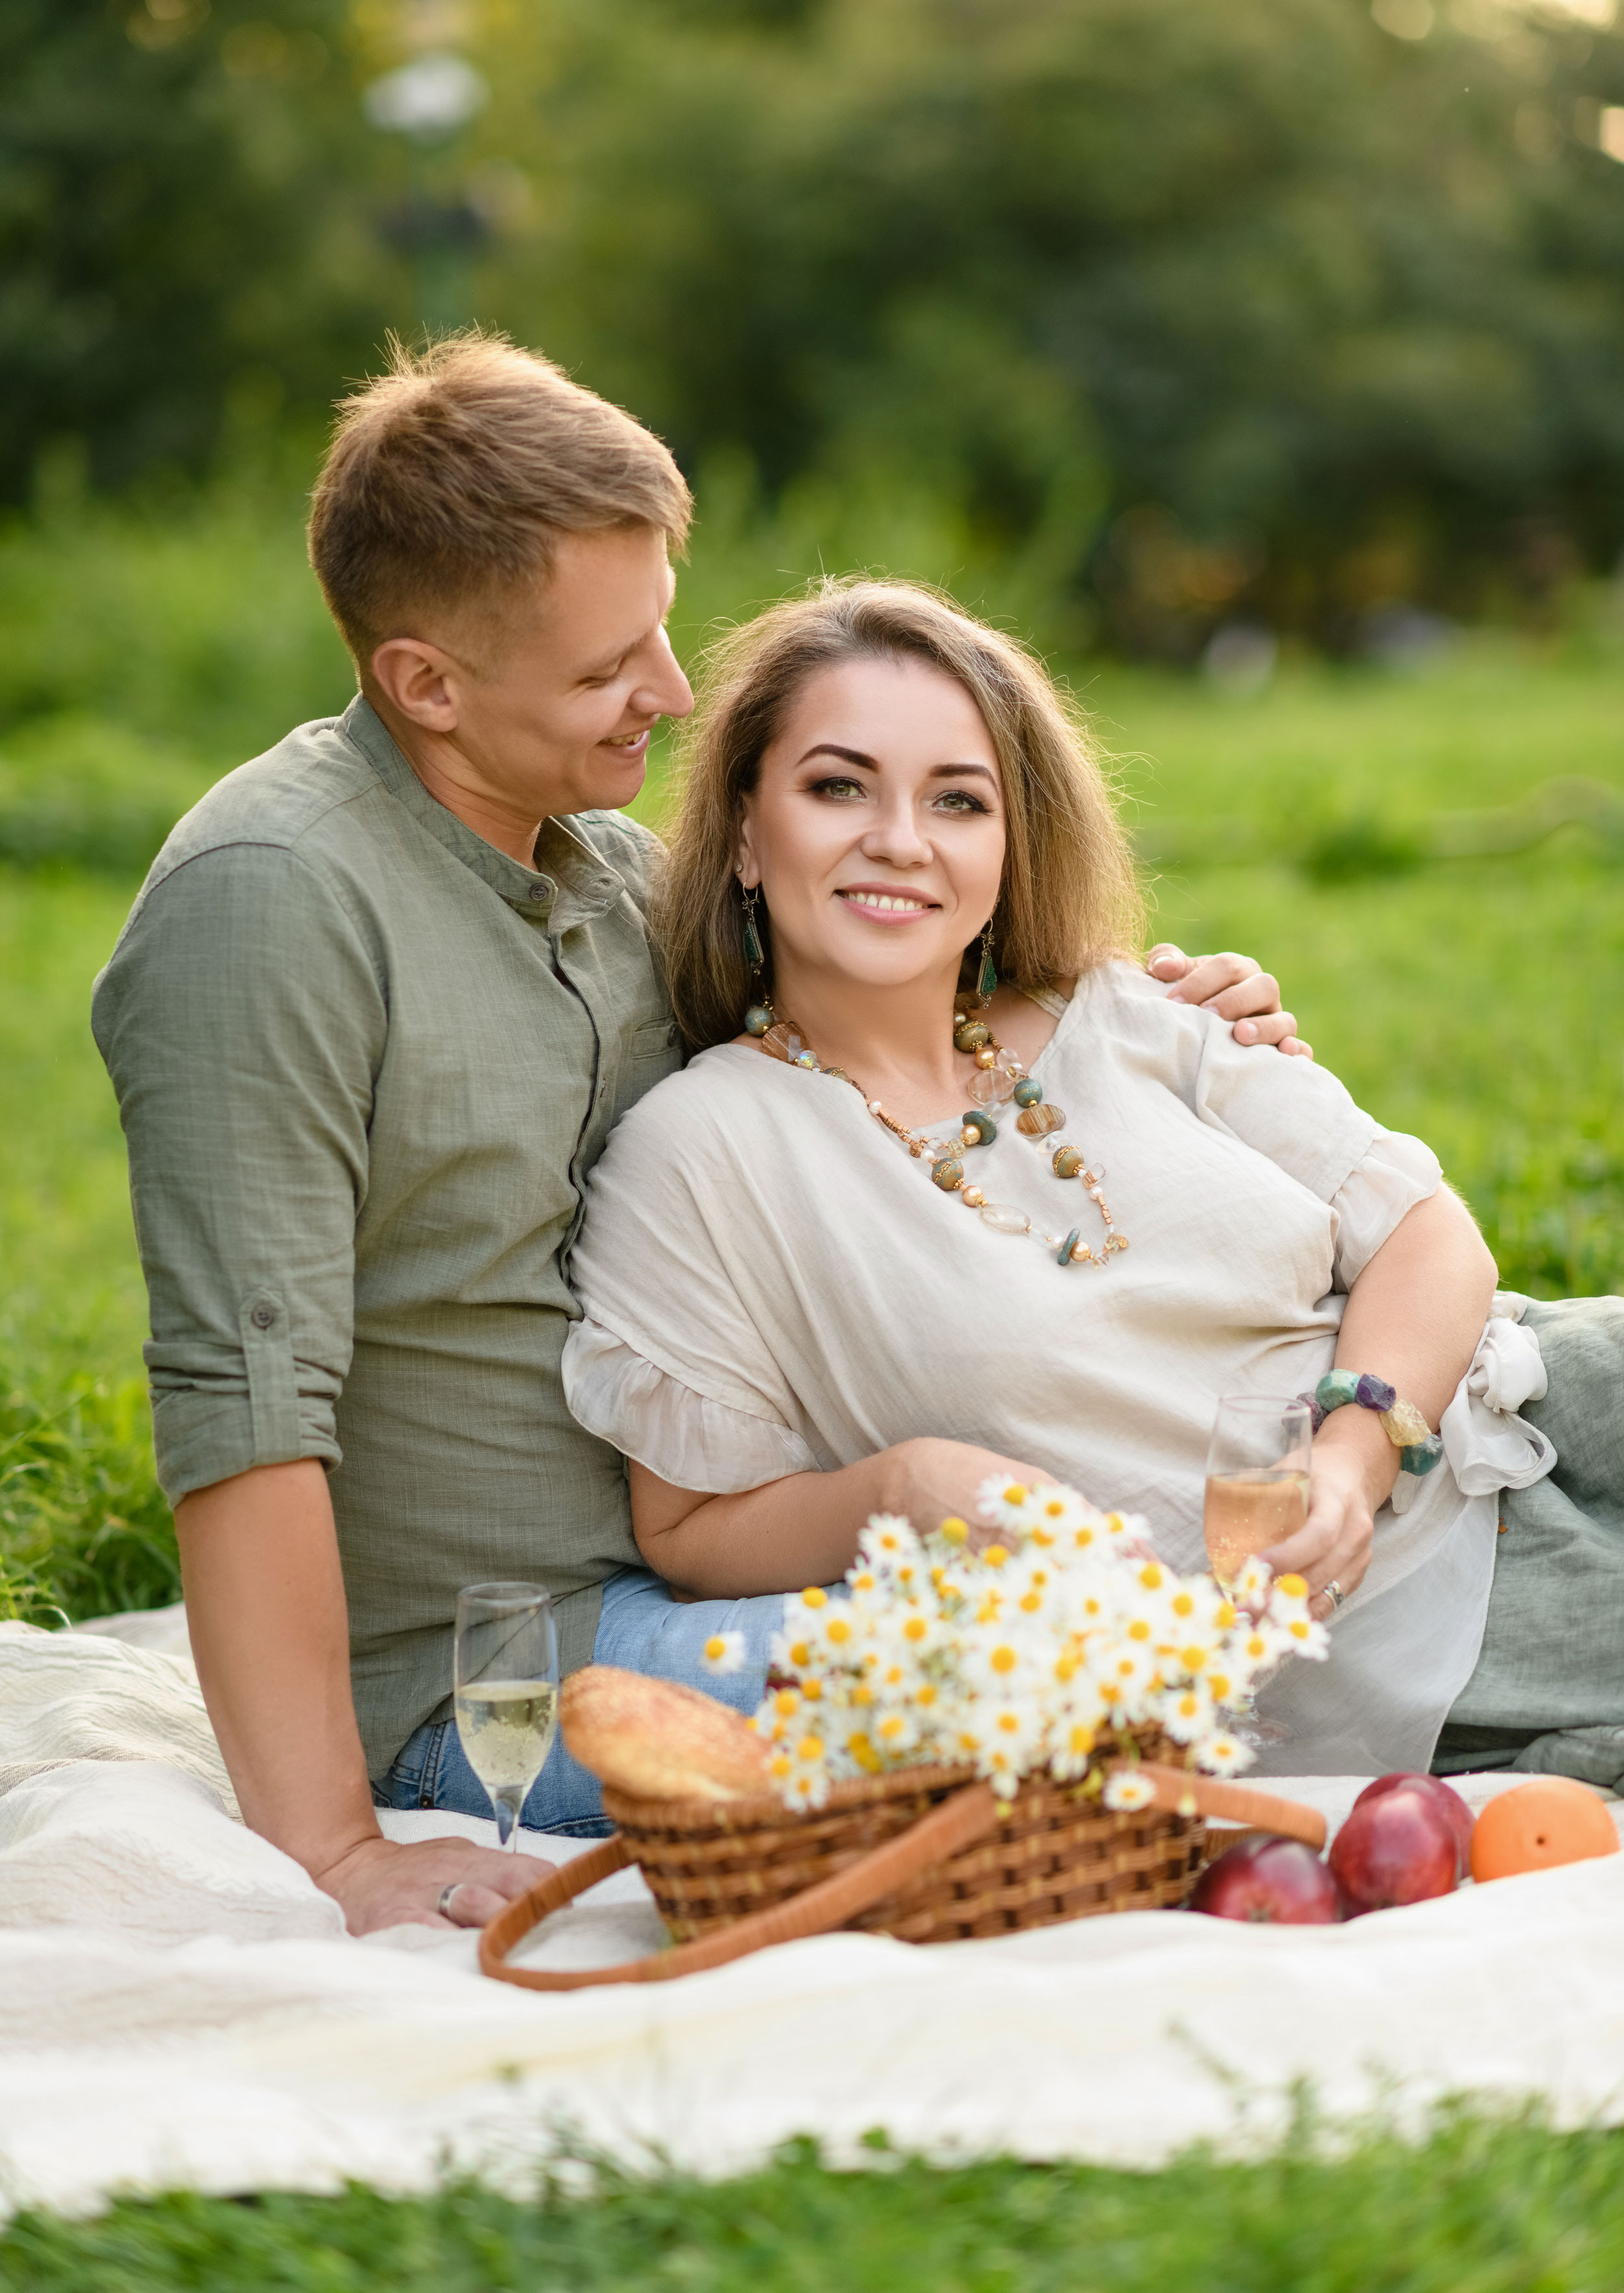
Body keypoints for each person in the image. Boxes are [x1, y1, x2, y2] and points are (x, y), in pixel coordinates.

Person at [91, 334, 1303, 1933]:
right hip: (507, 1659)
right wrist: (333, 1848)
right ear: (426, 684)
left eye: (659, 629)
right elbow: (242, 1399)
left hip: (743, 1557)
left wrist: (1151, 1020)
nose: (670, 693)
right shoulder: (272, 905)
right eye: (609, 669)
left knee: (1144, 1622)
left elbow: (869, 1016)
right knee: (1074, 1683)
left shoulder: (597, 871)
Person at [560, 579, 1624, 1783]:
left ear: (1007, 847)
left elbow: (1425, 1233)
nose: (901, 839)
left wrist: (1350, 1456)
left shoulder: (1129, 1009)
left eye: (957, 800)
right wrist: (898, 1488)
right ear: (748, 833)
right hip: (1396, 1616)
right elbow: (688, 1528)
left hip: (1519, 1403)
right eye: (838, 786)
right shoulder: (700, 1152)